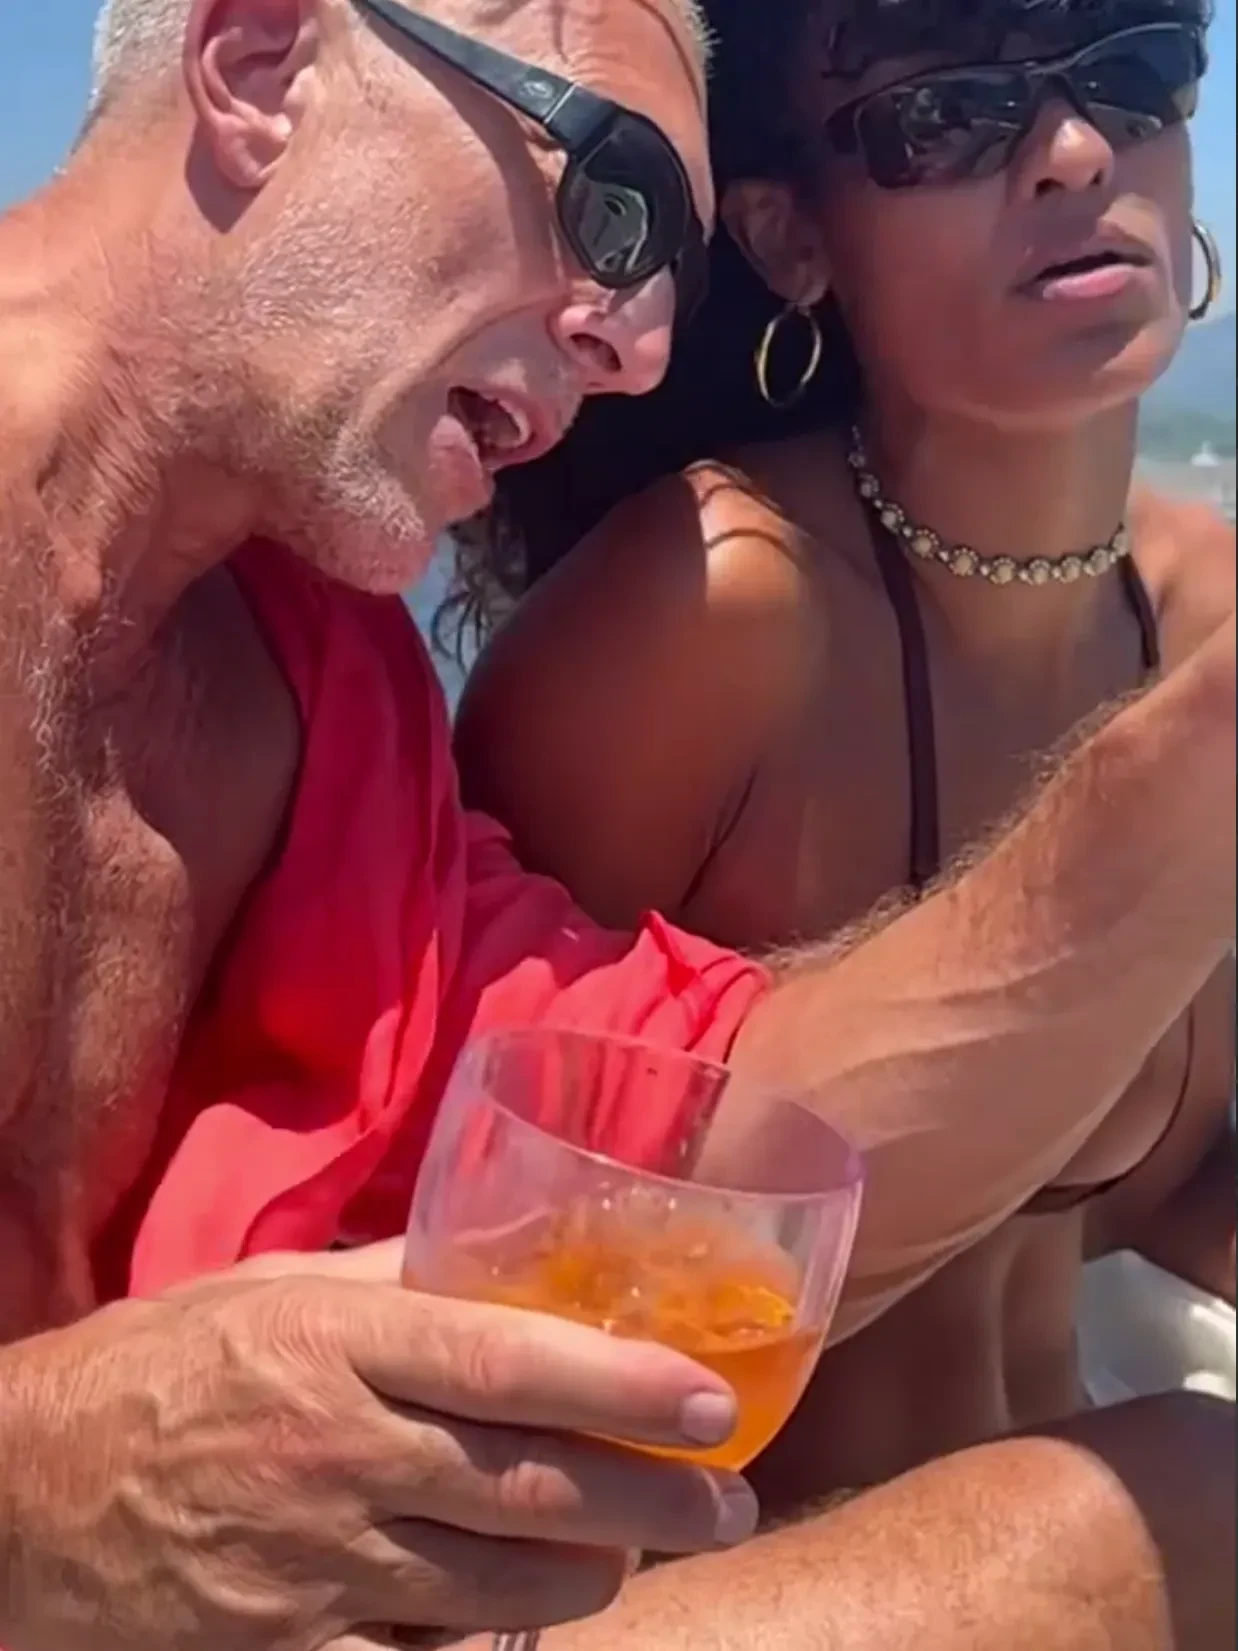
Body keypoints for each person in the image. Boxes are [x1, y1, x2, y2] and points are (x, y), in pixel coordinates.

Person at [0, 0, 1233, 1648]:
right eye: (611, 200)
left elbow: (701, 1132)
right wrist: (45, 1491)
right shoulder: (700, 609)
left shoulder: (328, 691)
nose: (640, 346)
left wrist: (1202, 752)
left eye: (659, 263)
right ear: (262, 65)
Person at [454, 0, 1238, 1514]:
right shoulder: (703, 621)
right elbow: (454, 1216)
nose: (1078, 152)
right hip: (721, 1571)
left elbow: (1159, 1186)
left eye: (1132, 71)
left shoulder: (1201, 612)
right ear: (790, 237)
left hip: (1083, 1507)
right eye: (946, 117)